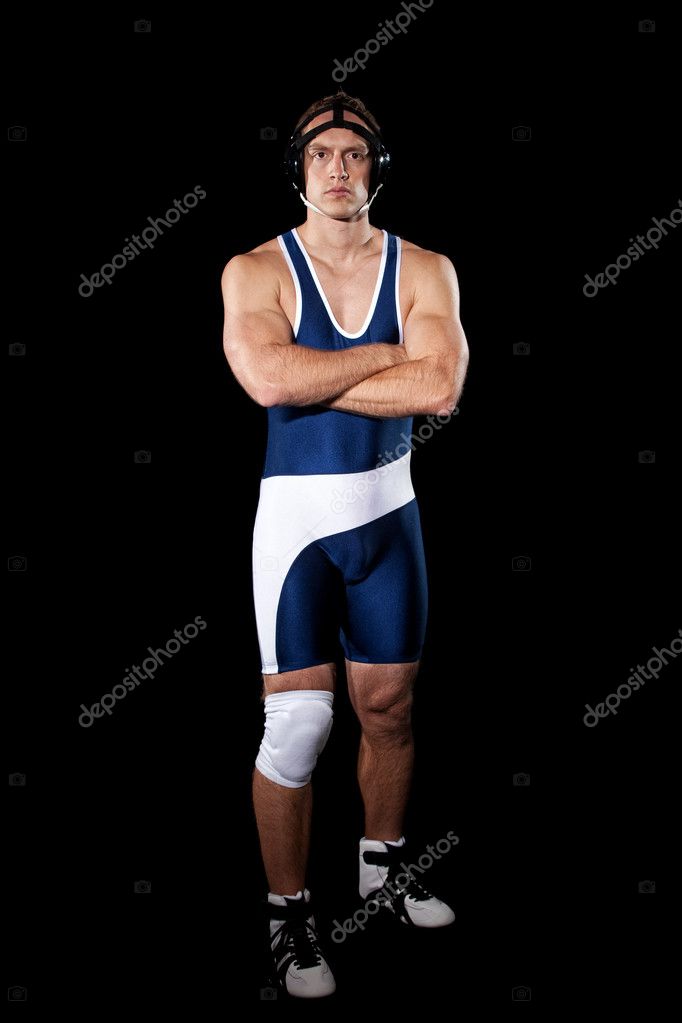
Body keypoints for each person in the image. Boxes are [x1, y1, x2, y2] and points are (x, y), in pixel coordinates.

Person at [221, 90, 469, 999]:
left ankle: (383, 868)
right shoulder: (254, 269)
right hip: (294, 529)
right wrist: (383, 357)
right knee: (299, 725)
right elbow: (263, 377)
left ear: (376, 168)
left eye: (354, 155)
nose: (337, 168)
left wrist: (310, 376)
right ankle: (289, 915)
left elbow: (440, 386)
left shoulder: (425, 268)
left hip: (388, 517)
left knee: (391, 707)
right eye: (321, 154)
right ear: (299, 168)